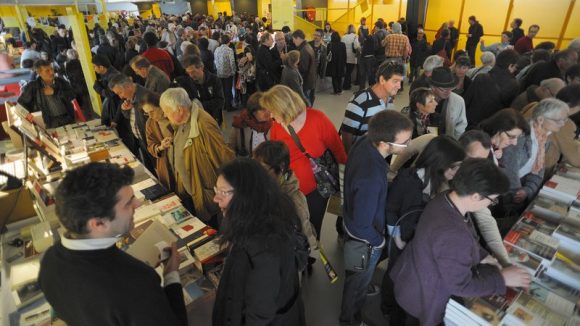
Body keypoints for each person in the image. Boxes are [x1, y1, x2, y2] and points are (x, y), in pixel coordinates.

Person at [38, 163, 188, 326]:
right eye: (128, 203)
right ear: (98, 224)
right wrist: (171, 275)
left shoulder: (48, 261)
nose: (137, 204)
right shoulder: (137, 283)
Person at [390, 158, 532, 325]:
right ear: (476, 196)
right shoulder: (453, 234)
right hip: (423, 294)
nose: (492, 204)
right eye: (492, 200)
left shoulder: (447, 198)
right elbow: (460, 286)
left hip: (414, 277)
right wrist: (502, 279)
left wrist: (484, 256)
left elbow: (467, 234)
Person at [381, 135, 465, 325]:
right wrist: (397, 237)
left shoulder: (438, 179)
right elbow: (391, 209)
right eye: (454, 166)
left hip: (416, 239)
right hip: (400, 238)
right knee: (395, 272)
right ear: (440, 162)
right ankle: (388, 307)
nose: (456, 171)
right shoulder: (408, 179)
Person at [340, 110, 413, 326]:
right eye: (405, 142)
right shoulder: (370, 176)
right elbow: (363, 225)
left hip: (351, 222)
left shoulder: (365, 141)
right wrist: (378, 242)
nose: (408, 146)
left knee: (356, 275)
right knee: (356, 284)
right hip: (363, 240)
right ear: (384, 142)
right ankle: (349, 319)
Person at [212, 158, 306, 326]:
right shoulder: (268, 216)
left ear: (246, 195)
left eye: (222, 192)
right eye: (215, 190)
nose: (215, 198)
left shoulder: (263, 249)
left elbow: (259, 316)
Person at [261, 85, 347, 241]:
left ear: (284, 108)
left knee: (312, 227)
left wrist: (345, 182)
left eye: (273, 111)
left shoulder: (317, 119)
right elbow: (274, 157)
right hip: (289, 189)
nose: (271, 116)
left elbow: (338, 150)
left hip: (317, 190)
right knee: (292, 226)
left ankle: (310, 256)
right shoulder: (276, 127)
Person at [160, 88, 234, 225]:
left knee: (210, 227)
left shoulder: (204, 124)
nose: (164, 115)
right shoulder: (181, 122)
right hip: (190, 189)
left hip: (204, 191)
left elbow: (223, 158)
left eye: (167, 111)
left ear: (180, 109)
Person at [501, 98, 570, 210]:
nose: (562, 124)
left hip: (517, 191)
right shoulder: (520, 135)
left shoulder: (544, 137)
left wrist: (528, 190)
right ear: (541, 119)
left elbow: (538, 171)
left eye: (564, 120)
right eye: (558, 120)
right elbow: (509, 170)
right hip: (502, 193)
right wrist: (517, 194)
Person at [253, 140, 318, 252]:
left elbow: (307, 236)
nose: (256, 174)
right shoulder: (264, 186)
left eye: (262, 169)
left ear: (281, 167)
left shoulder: (294, 200)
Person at [459, 130, 512, 267]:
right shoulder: (445, 175)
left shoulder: (473, 177)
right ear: (459, 151)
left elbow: (485, 220)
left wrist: (505, 263)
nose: (477, 166)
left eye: (482, 161)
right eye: (473, 159)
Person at [340, 61, 403, 153]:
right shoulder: (361, 101)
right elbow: (346, 133)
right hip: (362, 156)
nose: (399, 86)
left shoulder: (389, 98)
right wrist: (350, 158)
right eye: (395, 81)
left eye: (400, 81)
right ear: (382, 80)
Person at [109, 74, 157, 175]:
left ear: (128, 86)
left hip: (151, 140)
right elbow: (131, 117)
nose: (120, 96)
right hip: (141, 139)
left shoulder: (145, 96)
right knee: (150, 169)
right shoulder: (130, 95)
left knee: (156, 168)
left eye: (120, 92)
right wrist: (125, 110)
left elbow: (154, 121)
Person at [464, 49, 520, 127]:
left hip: (469, 122)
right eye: (515, 67)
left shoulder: (481, 77)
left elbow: (466, 100)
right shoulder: (513, 85)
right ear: (510, 66)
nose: (515, 71)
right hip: (489, 127)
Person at [18, 59, 75, 128]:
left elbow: (72, 95)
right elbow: (21, 103)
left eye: (52, 69)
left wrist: (55, 91)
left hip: (67, 118)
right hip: (48, 123)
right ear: (39, 73)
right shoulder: (33, 87)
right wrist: (30, 116)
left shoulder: (61, 82)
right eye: (47, 71)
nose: (51, 72)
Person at [140, 91, 176, 192]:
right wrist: (160, 147)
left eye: (152, 111)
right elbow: (150, 145)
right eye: (146, 113)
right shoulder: (150, 123)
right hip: (166, 164)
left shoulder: (173, 116)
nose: (150, 116)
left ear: (161, 106)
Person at [176, 55, 225, 126]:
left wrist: (199, 105)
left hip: (214, 119)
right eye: (188, 73)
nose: (191, 75)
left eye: (193, 72)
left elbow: (220, 101)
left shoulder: (214, 80)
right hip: (197, 121)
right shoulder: (187, 83)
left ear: (201, 67)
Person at [427, 67, 468, 139]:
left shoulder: (458, 101)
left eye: (451, 88)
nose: (448, 92)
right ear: (433, 87)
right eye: (444, 89)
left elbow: (461, 125)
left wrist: (454, 142)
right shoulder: (423, 98)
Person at [230, 92, 272, 156]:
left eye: (268, 109)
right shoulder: (240, 124)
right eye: (263, 110)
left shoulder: (273, 125)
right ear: (253, 111)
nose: (268, 112)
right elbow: (231, 148)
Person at [292, 30, 317, 106]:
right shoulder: (308, 46)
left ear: (298, 38)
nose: (293, 41)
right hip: (310, 80)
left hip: (306, 83)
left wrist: (294, 66)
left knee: (306, 104)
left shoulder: (303, 50)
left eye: (294, 39)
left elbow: (303, 69)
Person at [214, 34, 237, 112]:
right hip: (228, 73)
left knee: (222, 90)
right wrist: (234, 71)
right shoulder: (229, 50)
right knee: (228, 90)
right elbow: (232, 62)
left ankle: (223, 105)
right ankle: (229, 106)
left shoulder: (217, 49)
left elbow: (215, 61)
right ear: (229, 41)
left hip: (219, 72)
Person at [341, 24, 360, 90]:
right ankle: (346, 85)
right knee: (349, 72)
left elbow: (341, 45)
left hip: (344, 56)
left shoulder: (343, 37)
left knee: (347, 71)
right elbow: (356, 46)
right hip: (352, 56)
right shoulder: (355, 36)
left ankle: (346, 85)